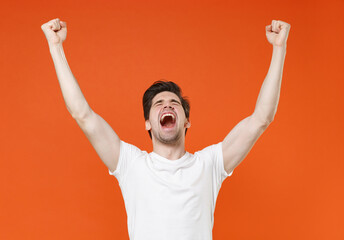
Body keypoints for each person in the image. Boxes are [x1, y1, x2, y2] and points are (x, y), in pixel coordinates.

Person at [41, 18, 290, 240]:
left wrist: (279, 49)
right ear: (148, 123)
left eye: (174, 103)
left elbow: (261, 118)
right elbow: (82, 114)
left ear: (186, 121)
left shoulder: (210, 164)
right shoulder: (130, 164)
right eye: (158, 103)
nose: (167, 105)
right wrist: (56, 47)